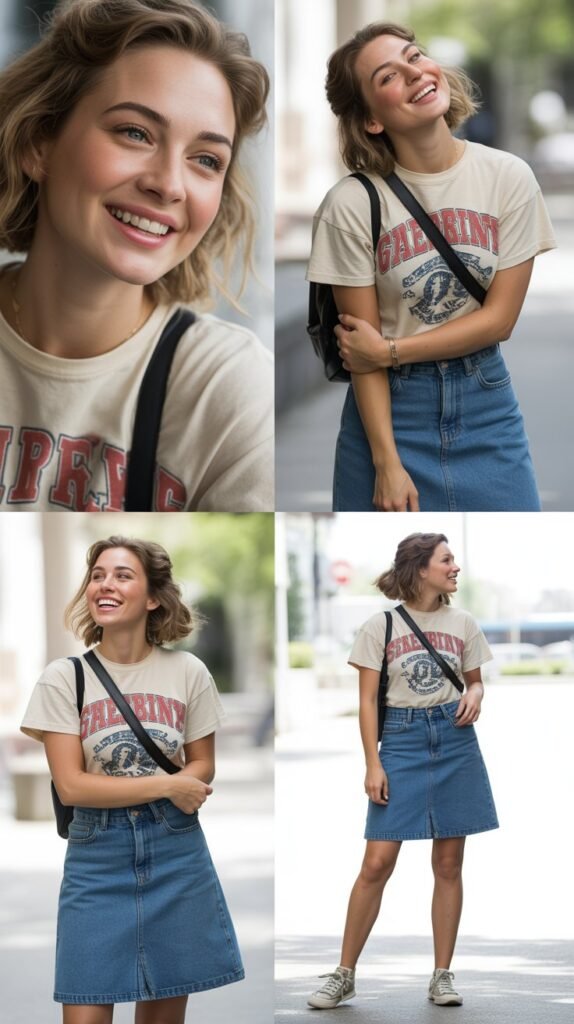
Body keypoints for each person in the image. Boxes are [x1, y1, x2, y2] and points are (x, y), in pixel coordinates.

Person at [0, 0, 272, 512]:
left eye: (206, 160)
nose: (169, 184)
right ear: (39, 143)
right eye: (134, 133)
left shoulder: (230, 390)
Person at [306, 22, 556, 512]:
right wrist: (386, 464)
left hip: (485, 403)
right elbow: (362, 353)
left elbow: (499, 321)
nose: (415, 72)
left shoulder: (508, 178)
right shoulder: (351, 205)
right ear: (373, 120)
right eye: (388, 77)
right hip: (387, 415)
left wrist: (391, 350)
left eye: (415, 56)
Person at [21, 535, 243, 1023]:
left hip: (175, 852)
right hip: (96, 857)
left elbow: (202, 762)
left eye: (122, 575)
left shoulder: (188, 671)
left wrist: (188, 781)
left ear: (153, 598)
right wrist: (170, 784)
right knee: (85, 1012)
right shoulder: (65, 678)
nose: (105, 584)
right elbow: (72, 786)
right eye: (98, 575)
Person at [307, 532, 498, 1010]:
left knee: (449, 863)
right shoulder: (381, 626)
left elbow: (475, 683)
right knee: (377, 862)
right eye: (446, 560)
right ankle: (344, 973)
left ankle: (442, 976)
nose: (455, 567)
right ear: (421, 568)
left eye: (453, 558)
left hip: (454, 741)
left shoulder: (464, 623)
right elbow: (367, 702)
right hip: (402, 740)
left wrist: (474, 695)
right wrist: (373, 762)